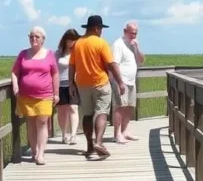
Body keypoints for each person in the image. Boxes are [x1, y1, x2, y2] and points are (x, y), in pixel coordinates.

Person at [68, 15, 126, 159]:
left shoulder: (77, 44)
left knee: (87, 115)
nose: (101, 32)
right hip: (100, 83)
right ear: (96, 28)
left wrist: (71, 84)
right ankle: (99, 142)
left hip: (82, 84)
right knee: (102, 112)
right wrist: (120, 82)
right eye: (101, 29)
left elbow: (72, 66)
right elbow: (112, 64)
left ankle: (89, 147)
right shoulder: (101, 43)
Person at [10, 26, 58, 165]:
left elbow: (54, 74)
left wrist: (56, 93)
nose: (34, 39)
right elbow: (14, 72)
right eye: (31, 36)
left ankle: (41, 154)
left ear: (43, 39)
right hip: (26, 95)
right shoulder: (23, 54)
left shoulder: (49, 54)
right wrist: (15, 84)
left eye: (37, 36)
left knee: (42, 122)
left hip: (45, 95)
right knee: (30, 123)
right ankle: (34, 151)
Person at [111, 20, 145, 143]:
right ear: (125, 31)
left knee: (130, 107)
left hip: (131, 81)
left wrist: (136, 47)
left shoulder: (133, 44)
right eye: (131, 33)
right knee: (120, 106)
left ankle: (125, 131)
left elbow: (141, 60)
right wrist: (119, 82)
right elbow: (114, 63)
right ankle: (117, 134)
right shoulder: (118, 44)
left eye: (136, 33)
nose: (134, 35)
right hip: (121, 80)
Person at [54, 28, 81, 145]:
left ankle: (74, 134)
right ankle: (64, 134)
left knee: (73, 108)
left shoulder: (78, 52)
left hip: (74, 84)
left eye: (73, 40)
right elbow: (53, 69)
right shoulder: (58, 53)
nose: (71, 42)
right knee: (62, 111)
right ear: (65, 40)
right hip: (60, 84)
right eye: (69, 40)